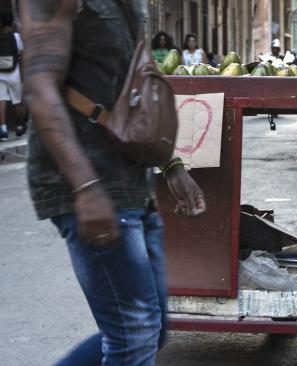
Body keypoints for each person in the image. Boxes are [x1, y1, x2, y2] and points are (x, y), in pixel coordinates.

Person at [20, 1, 207, 364]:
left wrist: (170, 164)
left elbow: (130, 84)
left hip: (130, 179)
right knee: (133, 335)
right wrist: (86, 188)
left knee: (149, 330)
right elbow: (40, 90)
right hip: (88, 181)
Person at [0, 12, 26, 141]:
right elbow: (21, 53)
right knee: (17, 101)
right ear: (12, 22)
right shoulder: (16, 36)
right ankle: (20, 127)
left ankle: (3, 130)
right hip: (14, 73)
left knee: (1, 101)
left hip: (0, 73)